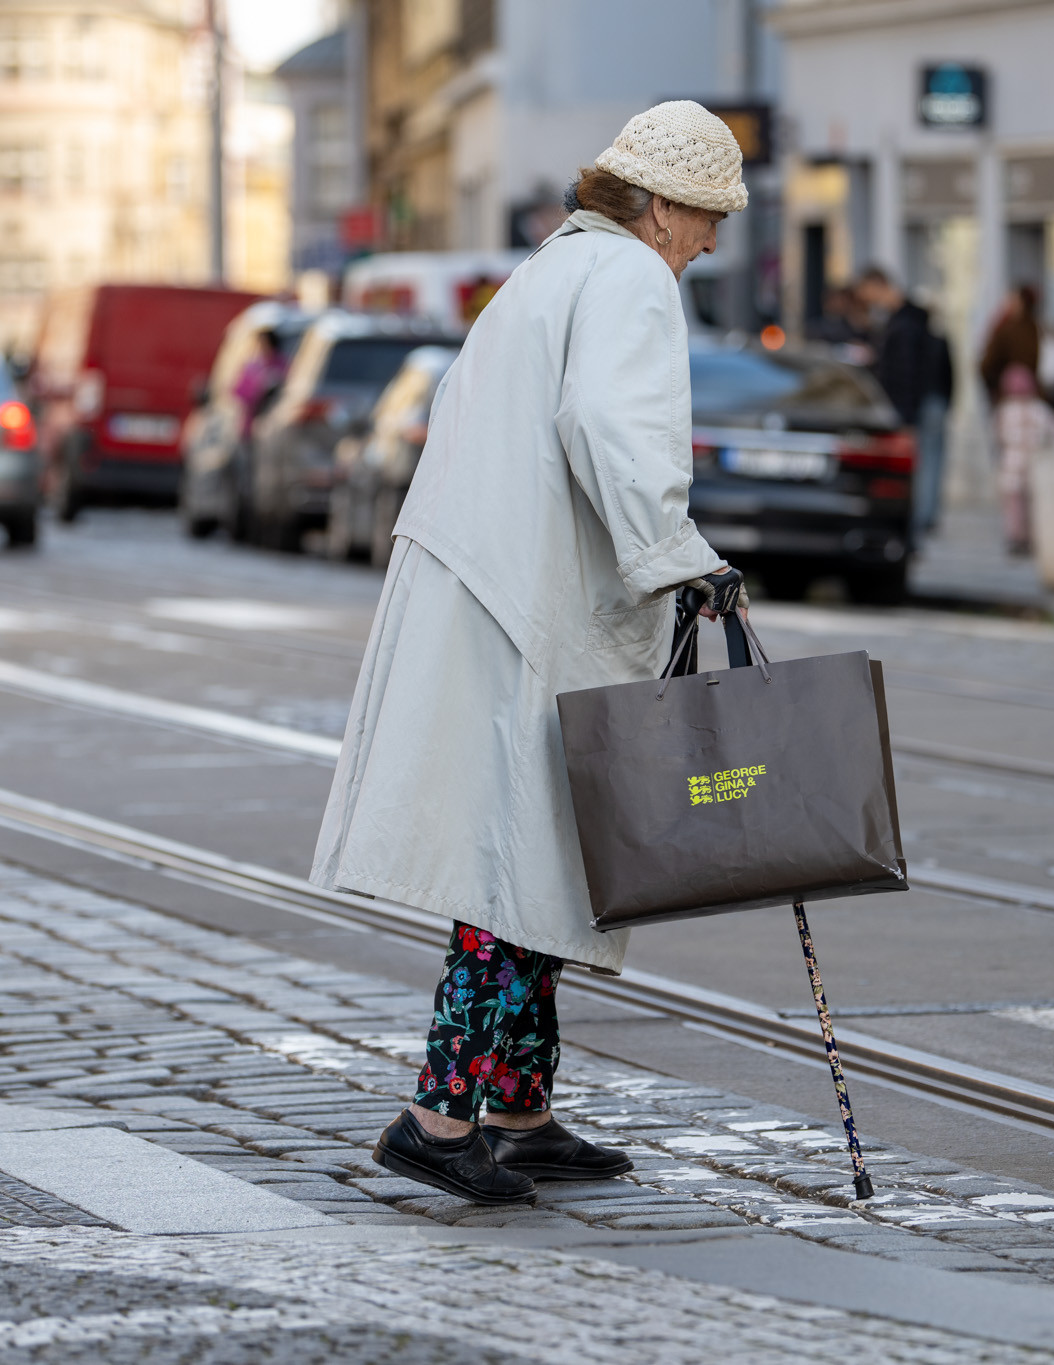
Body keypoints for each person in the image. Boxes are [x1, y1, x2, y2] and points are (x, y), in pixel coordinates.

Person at [311, 101, 750, 1206]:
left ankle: (519, 1105)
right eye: (703, 217)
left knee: (545, 858)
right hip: (526, 606)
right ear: (656, 207)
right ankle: (434, 1112)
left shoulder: (556, 267)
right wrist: (675, 553)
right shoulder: (630, 280)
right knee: (519, 868)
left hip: (489, 587)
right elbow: (614, 427)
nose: (710, 243)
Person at [856, 267, 955, 540]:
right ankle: (926, 516)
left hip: (919, 402)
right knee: (930, 459)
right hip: (929, 399)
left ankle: (921, 518)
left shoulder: (904, 323)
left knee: (921, 461)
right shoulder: (915, 319)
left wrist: (907, 416)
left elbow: (907, 371)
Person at [995, 362, 1054, 557]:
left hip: (1012, 462)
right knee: (1033, 503)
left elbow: (999, 436)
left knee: (1014, 504)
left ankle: (1016, 537)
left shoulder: (1004, 410)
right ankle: (1031, 537)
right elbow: (1049, 433)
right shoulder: (1040, 409)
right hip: (1034, 461)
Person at [978, 284, 1044, 407]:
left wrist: (996, 384)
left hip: (1008, 396)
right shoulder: (1038, 330)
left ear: (1021, 303)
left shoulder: (1007, 329)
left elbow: (987, 364)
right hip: (1033, 396)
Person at [232, 328, 288, 440]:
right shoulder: (252, 366)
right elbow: (237, 390)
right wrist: (257, 389)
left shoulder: (282, 364)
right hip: (252, 418)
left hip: (275, 419)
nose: (261, 347)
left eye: (264, 343)